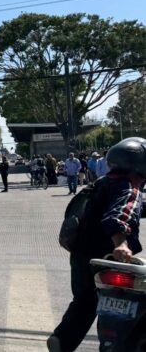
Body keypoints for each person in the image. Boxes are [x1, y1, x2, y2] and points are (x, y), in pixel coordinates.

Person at [48, 137, 146, 352]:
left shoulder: (99, 183)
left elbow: (129, 208)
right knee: (118, 302)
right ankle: (115, 342)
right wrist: (121, 244)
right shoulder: (130, 187)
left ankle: (62, 340)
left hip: (82, 256)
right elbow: (118, 216)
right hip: (110, 258)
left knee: (85, 301)